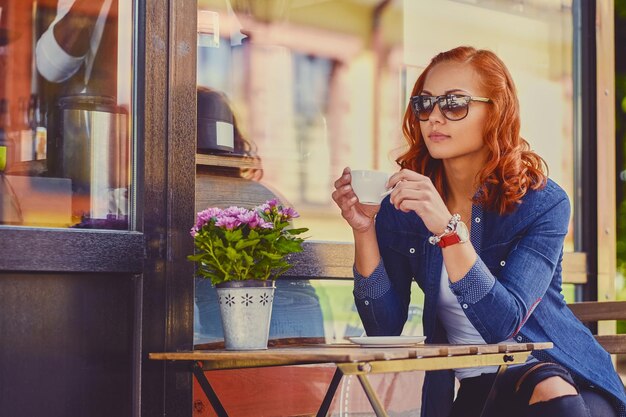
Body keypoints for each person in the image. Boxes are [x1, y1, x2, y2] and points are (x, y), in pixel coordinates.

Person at [331, 46, 626, 417]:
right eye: (425, 104)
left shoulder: (542, 203)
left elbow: (501, 324)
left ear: (496, 113)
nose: (435, 117)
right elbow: (382, 326)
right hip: (480, 390)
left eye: (454, 103)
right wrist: (364, 230)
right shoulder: (403, 208)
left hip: (566, 375)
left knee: (557, 396)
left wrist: (448, 230)